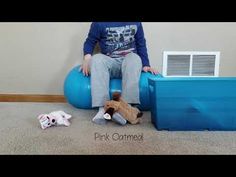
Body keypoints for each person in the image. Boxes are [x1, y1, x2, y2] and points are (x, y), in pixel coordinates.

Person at [81, 22, 158, 125]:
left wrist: (146, 64)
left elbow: (141, 43)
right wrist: (87, 57)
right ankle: (103, 109)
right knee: (97, 59)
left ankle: (125, 108)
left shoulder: (136, 23)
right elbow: (90, 42)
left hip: (129, 64)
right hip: (110, 63)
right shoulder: (98, 23)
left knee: (134, 58)